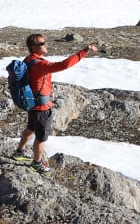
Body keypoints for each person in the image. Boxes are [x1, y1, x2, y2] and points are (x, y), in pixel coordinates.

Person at [12, 34, 97, 174]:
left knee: (30, 128)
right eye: (42, 43)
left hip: (32, 104)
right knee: (40, 138)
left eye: (45, 42)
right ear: (33, 47)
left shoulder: (29, 60)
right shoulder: (39, 64)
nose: (46, 45)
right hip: (42, 107)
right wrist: (84, 51)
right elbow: (64, 65)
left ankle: (20, 151)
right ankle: (37, 163)